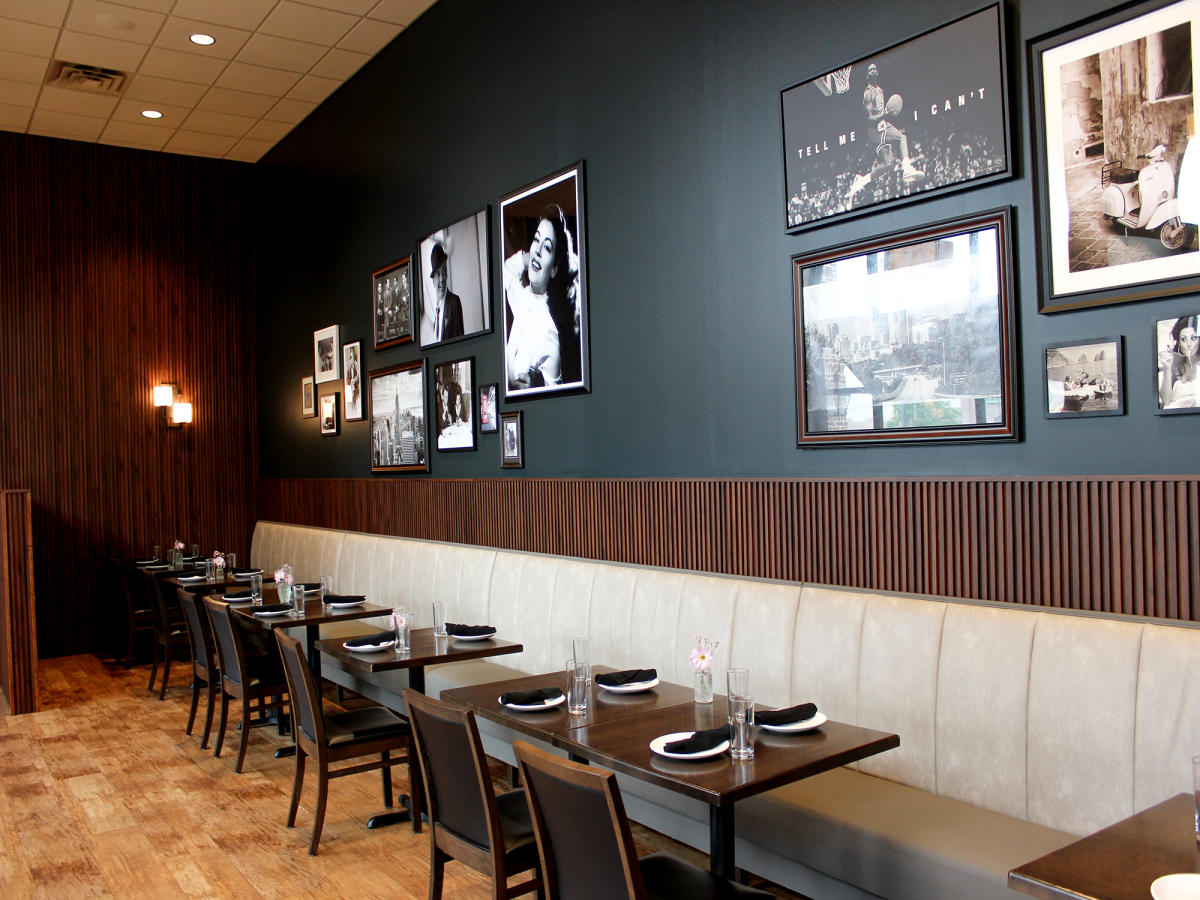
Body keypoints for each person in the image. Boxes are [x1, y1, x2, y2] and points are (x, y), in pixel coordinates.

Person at [504, 205, 578, 389]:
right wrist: (527, 257)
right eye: (536, 240)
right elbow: (506, 271)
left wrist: (537, 384)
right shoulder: (524, 297)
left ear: (554, 269)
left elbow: (556, 392)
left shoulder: (548, 333)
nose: (537, 250)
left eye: (546, 247)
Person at [848, 63, 924, 199]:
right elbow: (869, 118)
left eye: (874, 69)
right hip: (874, 129)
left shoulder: (881, 91)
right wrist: (885, 115)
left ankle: (861, 181)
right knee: (902, 138)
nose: (872, 71)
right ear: (867, 76)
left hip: (881, 126)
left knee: (888, 164)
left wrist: (885, 115)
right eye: (869, 70)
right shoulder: (868, 93)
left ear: (877, 72)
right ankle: (907, 168)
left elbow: (880, 113)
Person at [1160, 315, 1200, 407]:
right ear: (1179, 342)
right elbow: (1165, 402)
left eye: (1193, 338)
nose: (1189, 344)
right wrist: (1167, 369)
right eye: (1184, 339)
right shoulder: (1175, 364)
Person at [428, 241, 463, 343]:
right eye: (438, 274)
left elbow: (460, 342)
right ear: (433, 281)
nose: (442, 279)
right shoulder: (436, 309)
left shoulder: (454, 302)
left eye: (444, 271)